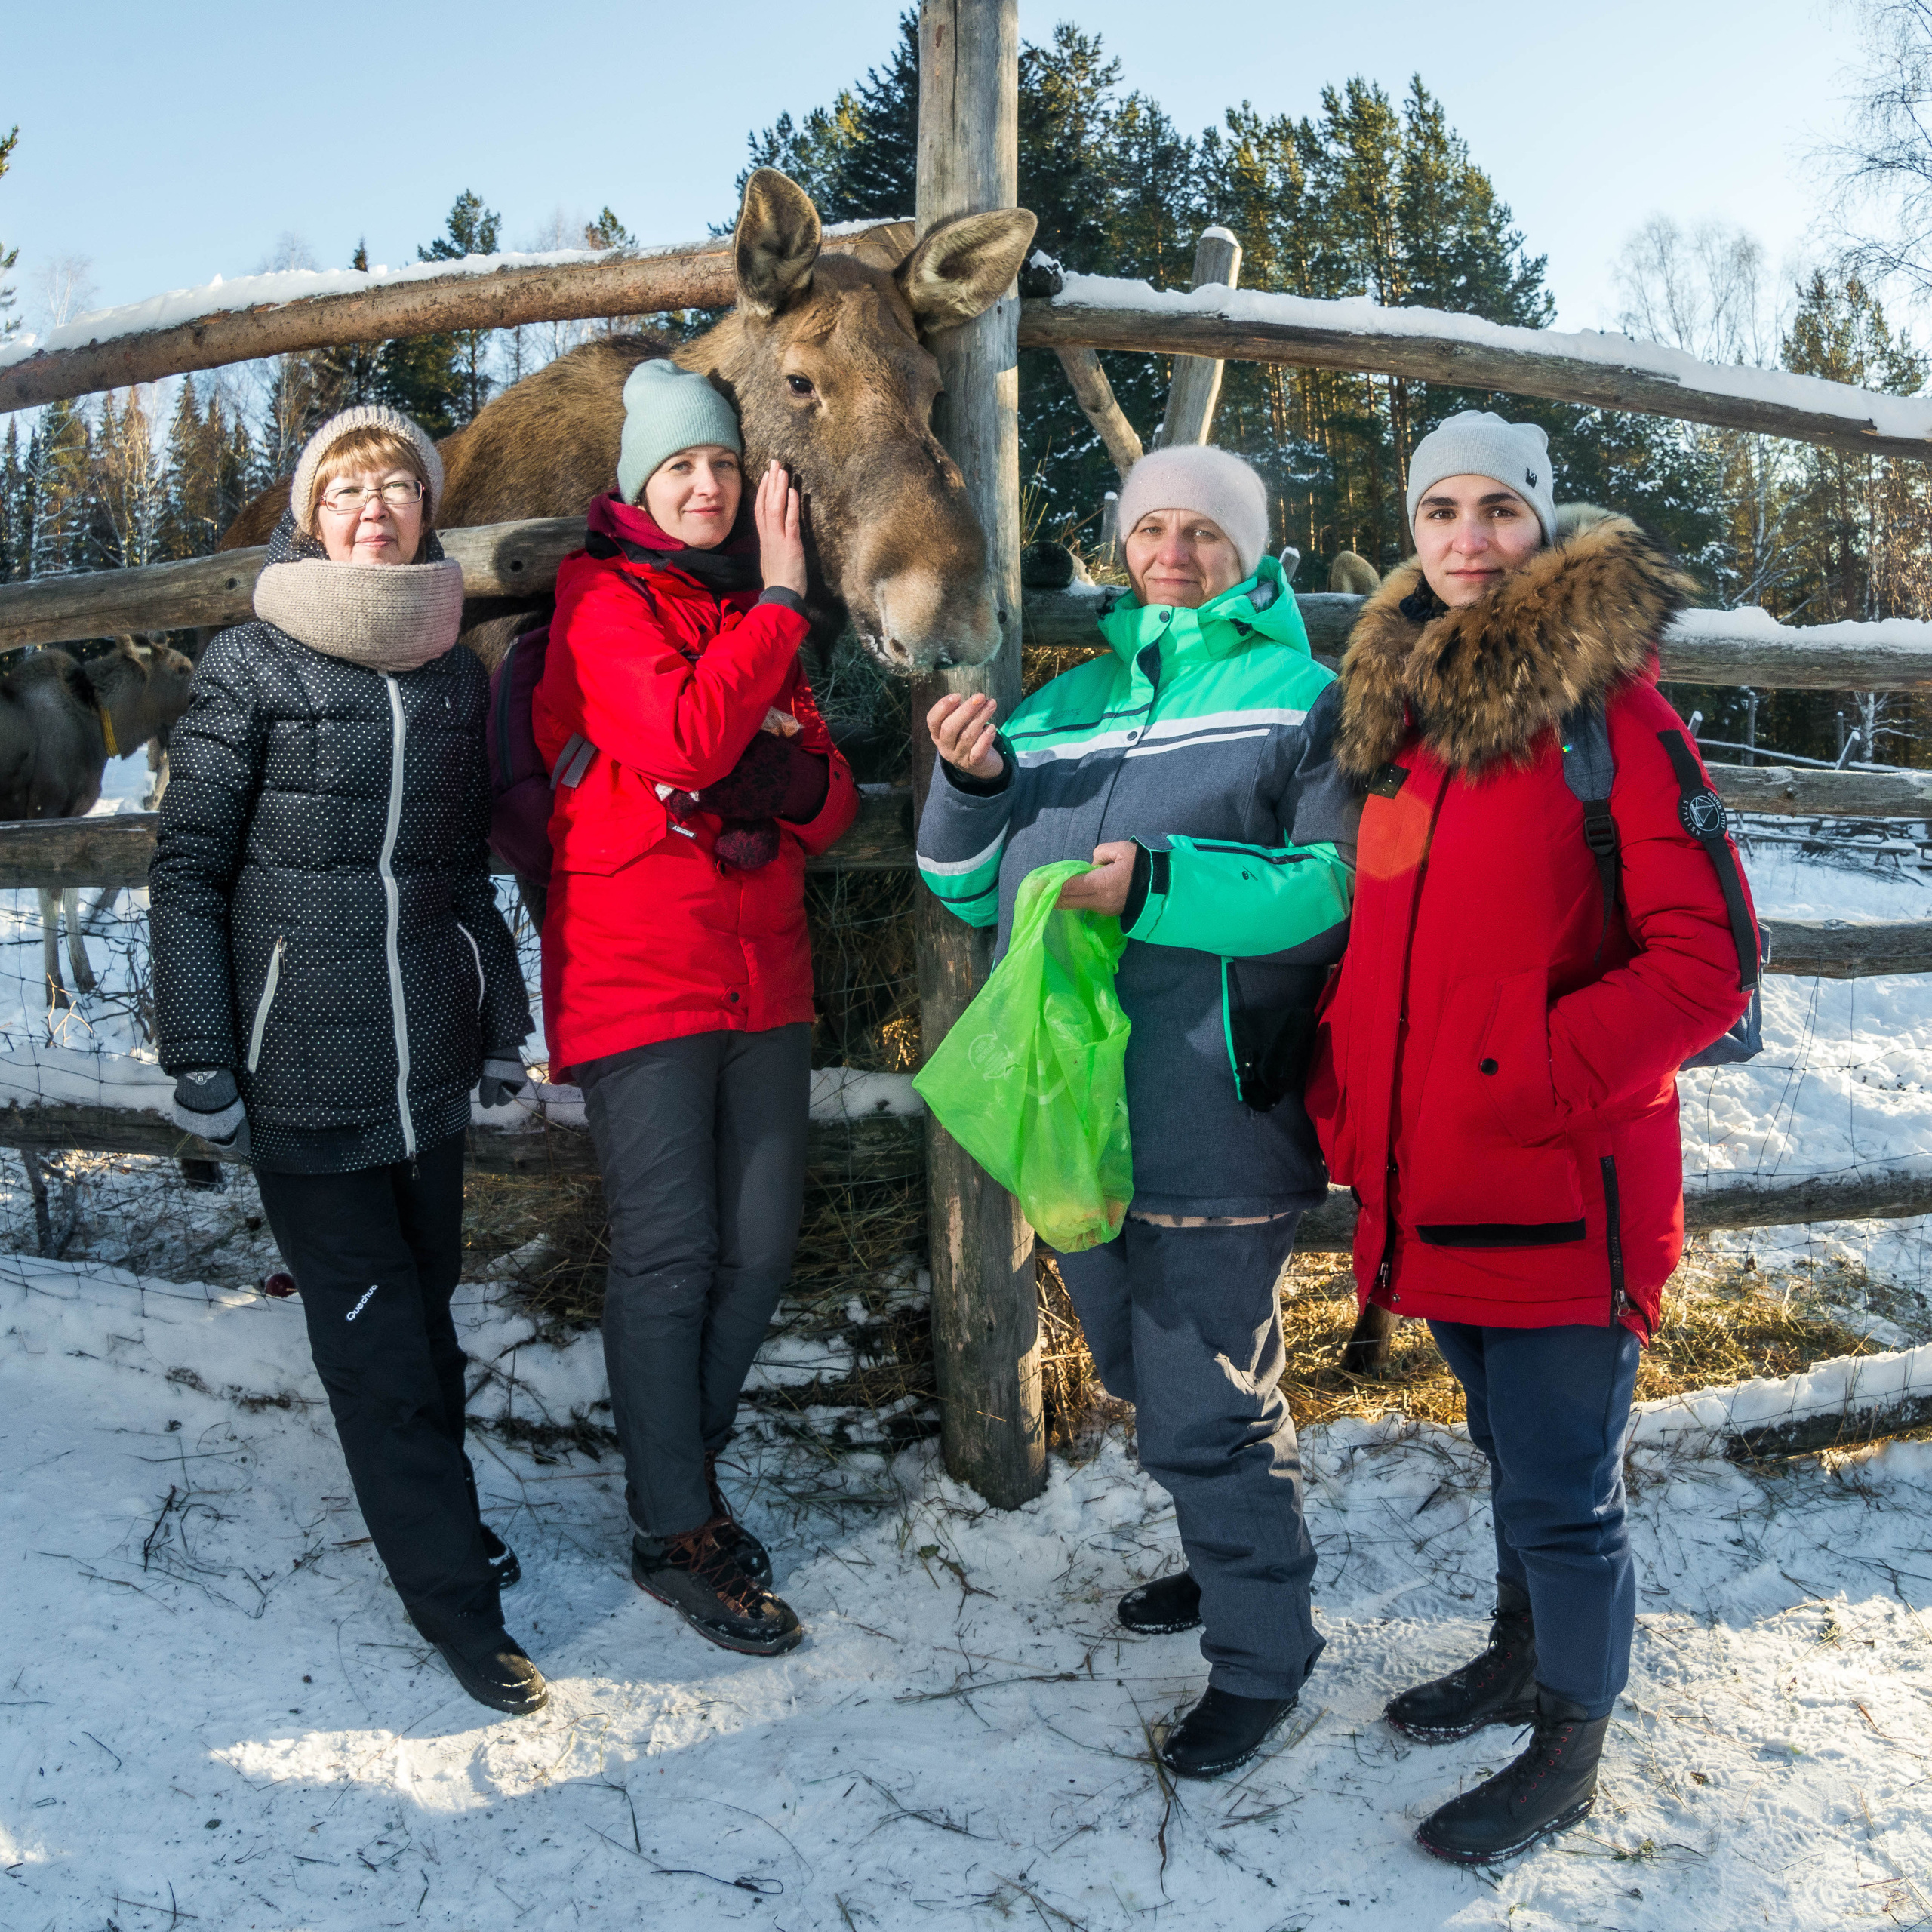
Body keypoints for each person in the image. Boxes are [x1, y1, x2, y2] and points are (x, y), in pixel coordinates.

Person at [1306, 411, 1758, 1864]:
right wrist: (1353, 1099)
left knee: (1565, 1492)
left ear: (1544, 525)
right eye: (1439, 511)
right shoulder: (1406, 724)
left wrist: (1519, 1074)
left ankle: (1574, 1732)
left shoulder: (1613, 719)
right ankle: (1517, 1658)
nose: (1466, 539)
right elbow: (1393, 946)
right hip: (1441, 1180)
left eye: (1499, 508)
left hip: (1562, 1177)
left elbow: (1710, 962)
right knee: (1506, 1451)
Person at [916, 445, 1358, 1778]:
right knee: (1142, 1372)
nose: (1174, 552)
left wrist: (1159, 883)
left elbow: (1331, 885)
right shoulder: (1069, 702)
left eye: (1204, 532)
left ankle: (1266, 1659)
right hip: (1079, 1112)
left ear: (1253, 550)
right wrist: (974, 786)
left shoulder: (1308, 699)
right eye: (1151, 529)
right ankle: (1235, 1564)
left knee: (1200, 1404)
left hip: (1215, 1099)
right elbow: (962, 889)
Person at [151, 406, 546, 1716]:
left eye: (396, 488)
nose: (373, 507)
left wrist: (498, 1028)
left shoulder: (448, 674)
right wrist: (204, 1051)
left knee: (424, 1324)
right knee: (376, 1353)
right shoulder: (250, 663)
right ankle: (458, 1608)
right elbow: (189, 870)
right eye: (346, 489)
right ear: (311, 515)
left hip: (425, 1066)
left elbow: (458, 879)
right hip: (298, 1070)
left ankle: (450, 1528)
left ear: (427, 514)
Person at [534, 359, 858, 1658]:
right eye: (682, 468)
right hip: (639, 971)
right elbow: (676, 739)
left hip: (764, 974)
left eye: (722, 466)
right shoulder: (600, 600)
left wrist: (776, 776)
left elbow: (829, 803)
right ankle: (677, 1525)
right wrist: (781, 602)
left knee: (763, 1240)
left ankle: (685, 1474)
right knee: (670, 1254)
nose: (707, 487)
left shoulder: (745, 619)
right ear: (638, 485)